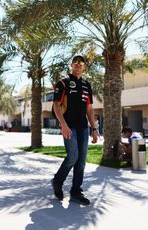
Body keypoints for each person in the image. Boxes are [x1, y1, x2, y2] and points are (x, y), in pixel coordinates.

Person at [51, 55, 98, 205]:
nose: (78, 65)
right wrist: (63, 124)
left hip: (83, 127)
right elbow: (56, 105)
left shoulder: (86, 85)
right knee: (73, 156)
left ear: (84, 67)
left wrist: (94, 128)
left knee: (81, 161)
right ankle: (57, 181)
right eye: (76, 63)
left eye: (81, 63)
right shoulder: (63, 83)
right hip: (69, 126)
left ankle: (76, 191)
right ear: (71, 65)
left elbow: (89, 109)